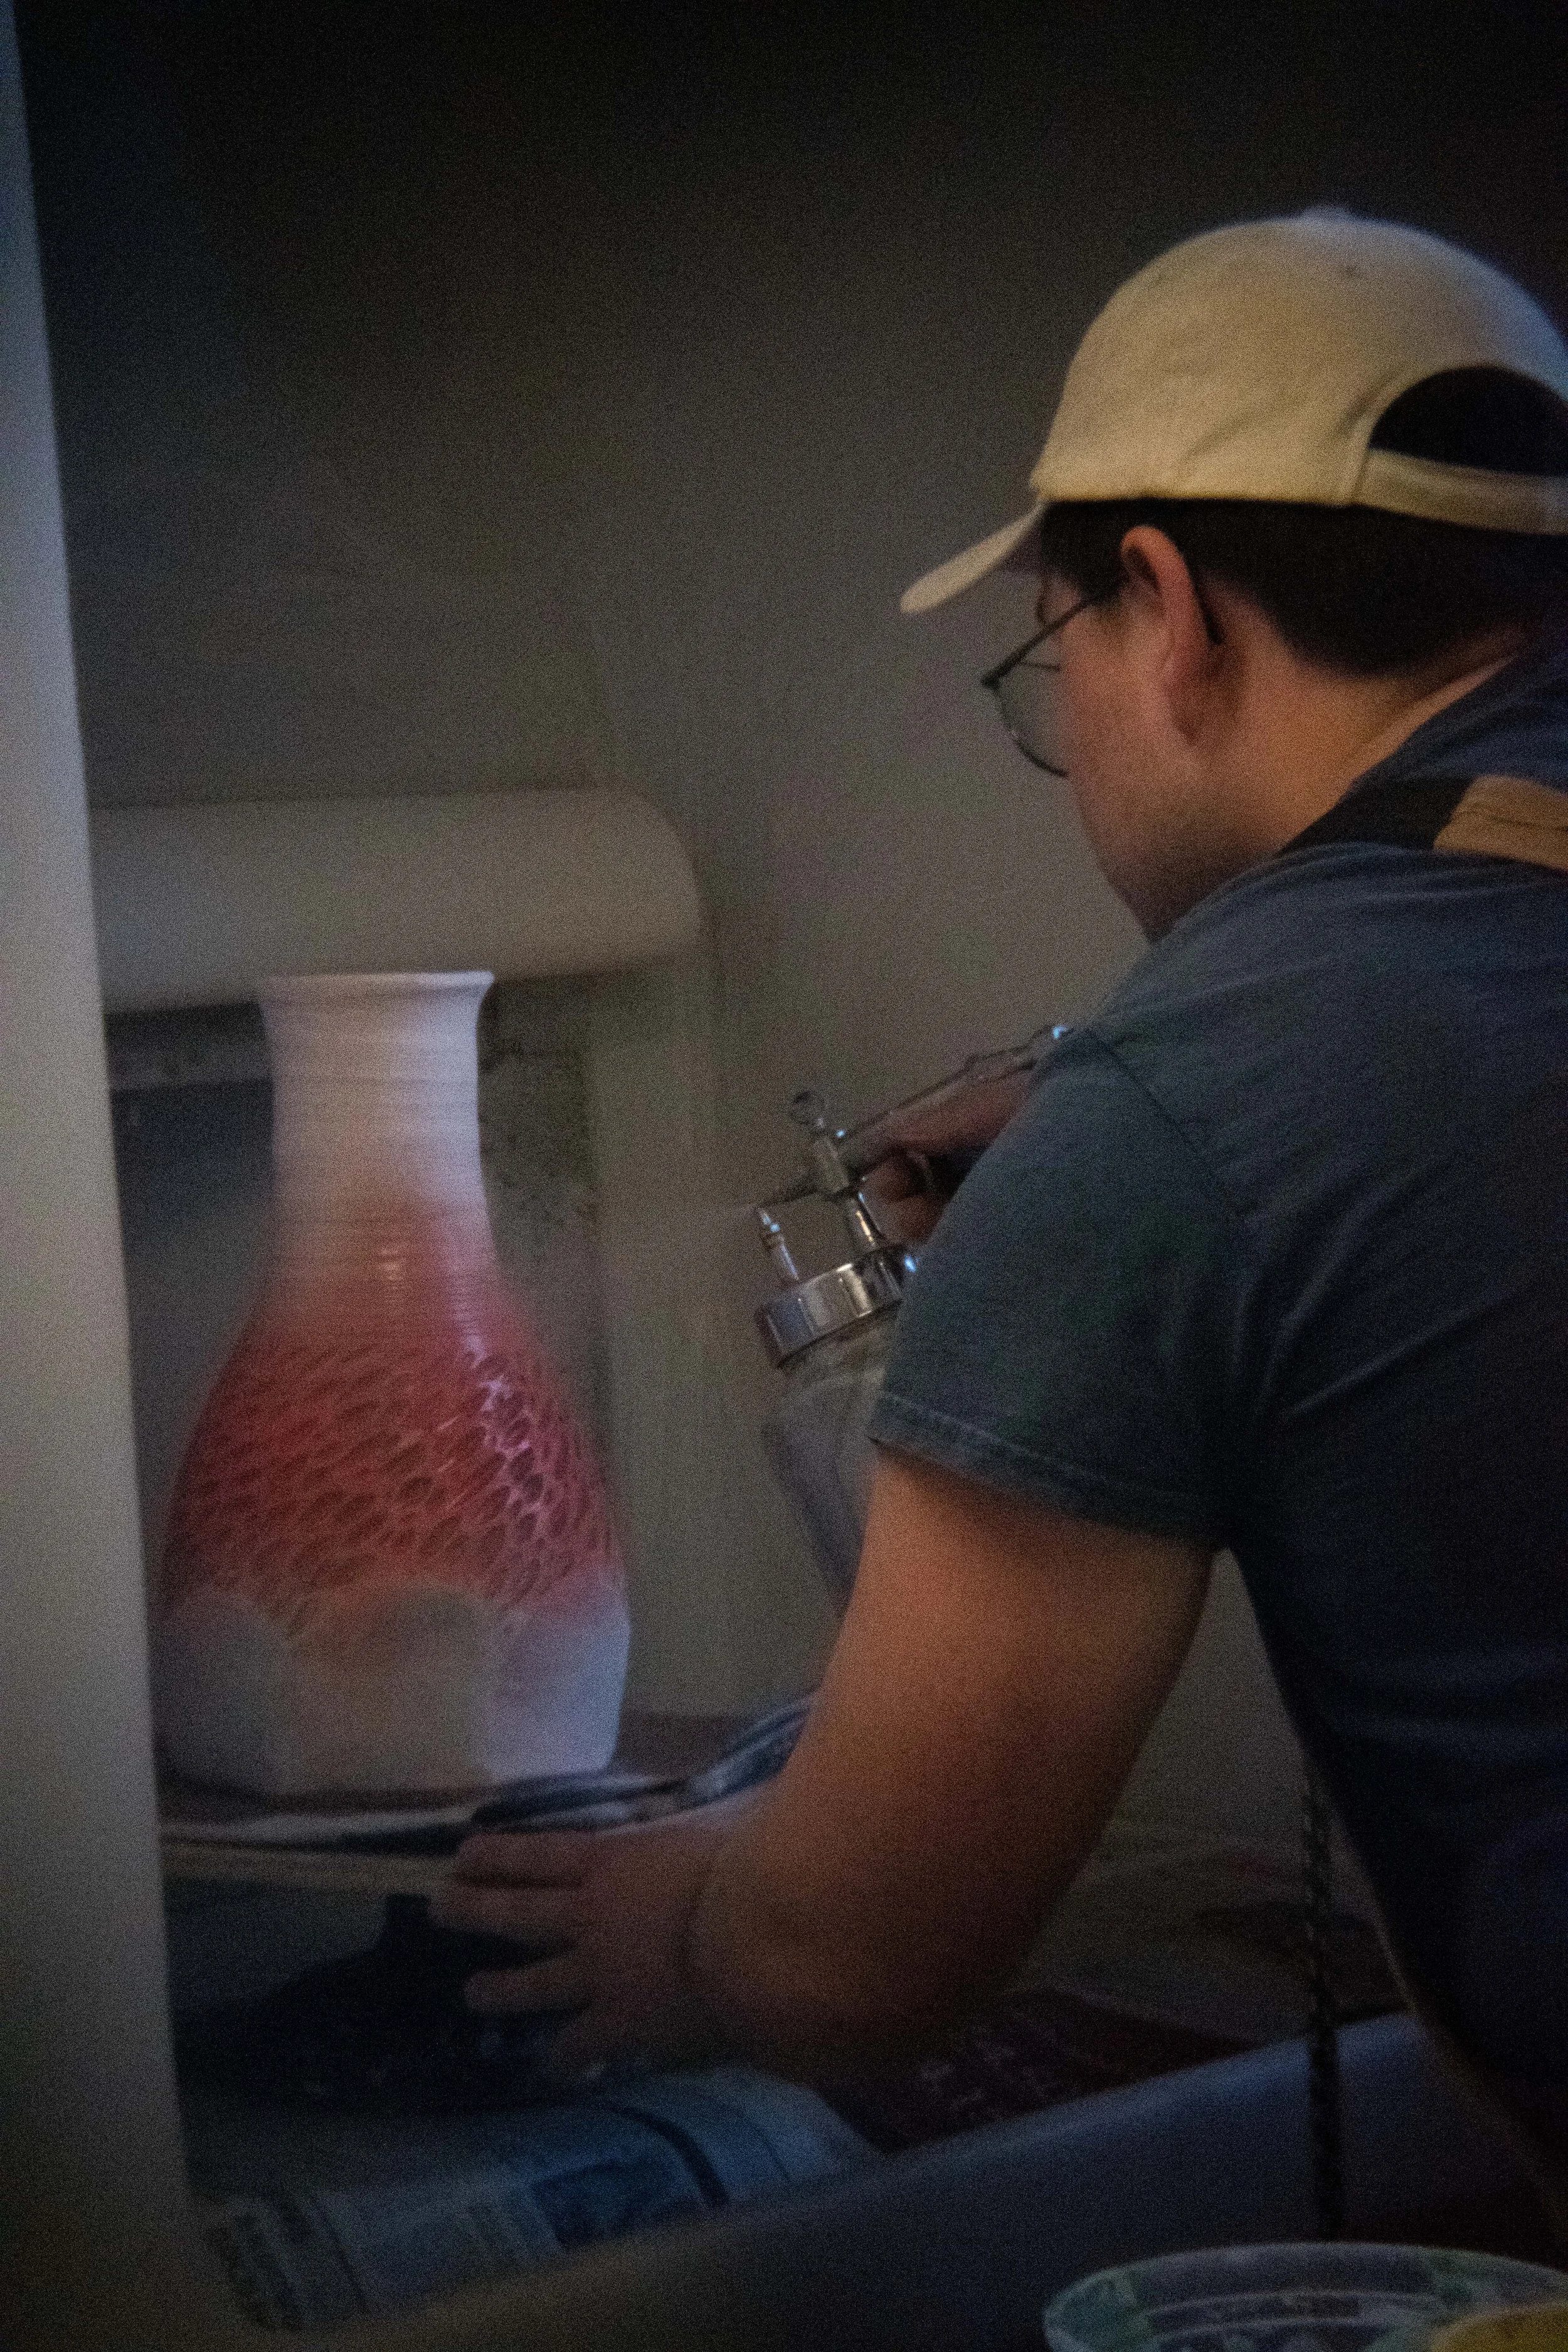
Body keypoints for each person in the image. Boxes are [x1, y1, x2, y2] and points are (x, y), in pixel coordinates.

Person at [433, 212, 1568, 2198]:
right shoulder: (1229, 1078)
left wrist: (686, 1929)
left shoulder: (1190, 1103)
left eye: (1053, 665)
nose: (1067, 759)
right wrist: (1093, 1106)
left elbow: (858, 1949)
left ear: (1165, 605)